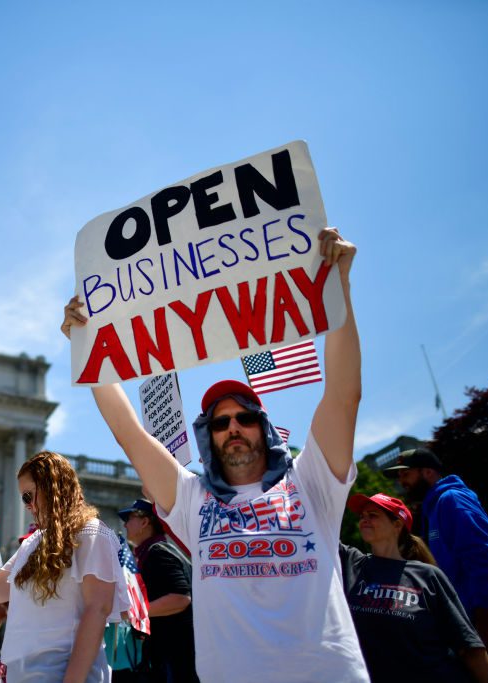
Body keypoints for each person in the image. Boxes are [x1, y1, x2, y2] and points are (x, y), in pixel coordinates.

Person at [62, 227, 369, 681]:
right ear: (210, 436)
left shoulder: (312, 483)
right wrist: (85, 345)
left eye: (244, 418)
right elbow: (130, 434)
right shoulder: (192, 500)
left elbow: (343, 396)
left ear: (262, 429)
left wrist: (339, 283)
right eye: (220, 423)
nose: (233, 429)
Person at [0, 451, 130, 682]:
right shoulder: (34, 542)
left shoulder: (92, 532)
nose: (27, 505)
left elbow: (98, 610)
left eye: (28, 496)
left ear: (53, 487)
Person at [340, 492, 488, 682]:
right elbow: (315, 525)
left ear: (397, 525)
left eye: (373, 515)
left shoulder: (428, 576)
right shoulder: (352, 563)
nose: (364, 520)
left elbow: (469, 646)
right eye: (362, 516)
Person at [384, 446, 488, 668]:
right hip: (468, 622)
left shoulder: (451, 499)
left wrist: (484, 624)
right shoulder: (433, 507)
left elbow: (486, 553)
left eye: (406, 474)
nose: (402, 482)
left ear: (427, 472)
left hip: (484, 622)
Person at [118, 499, 198, 682]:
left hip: (175, 653)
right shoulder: (160, 550)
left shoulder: (158, 553)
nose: (125, 524)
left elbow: (180, 599)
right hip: (175, 651)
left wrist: (131, 613)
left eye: (129, 518)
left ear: (145, 522)